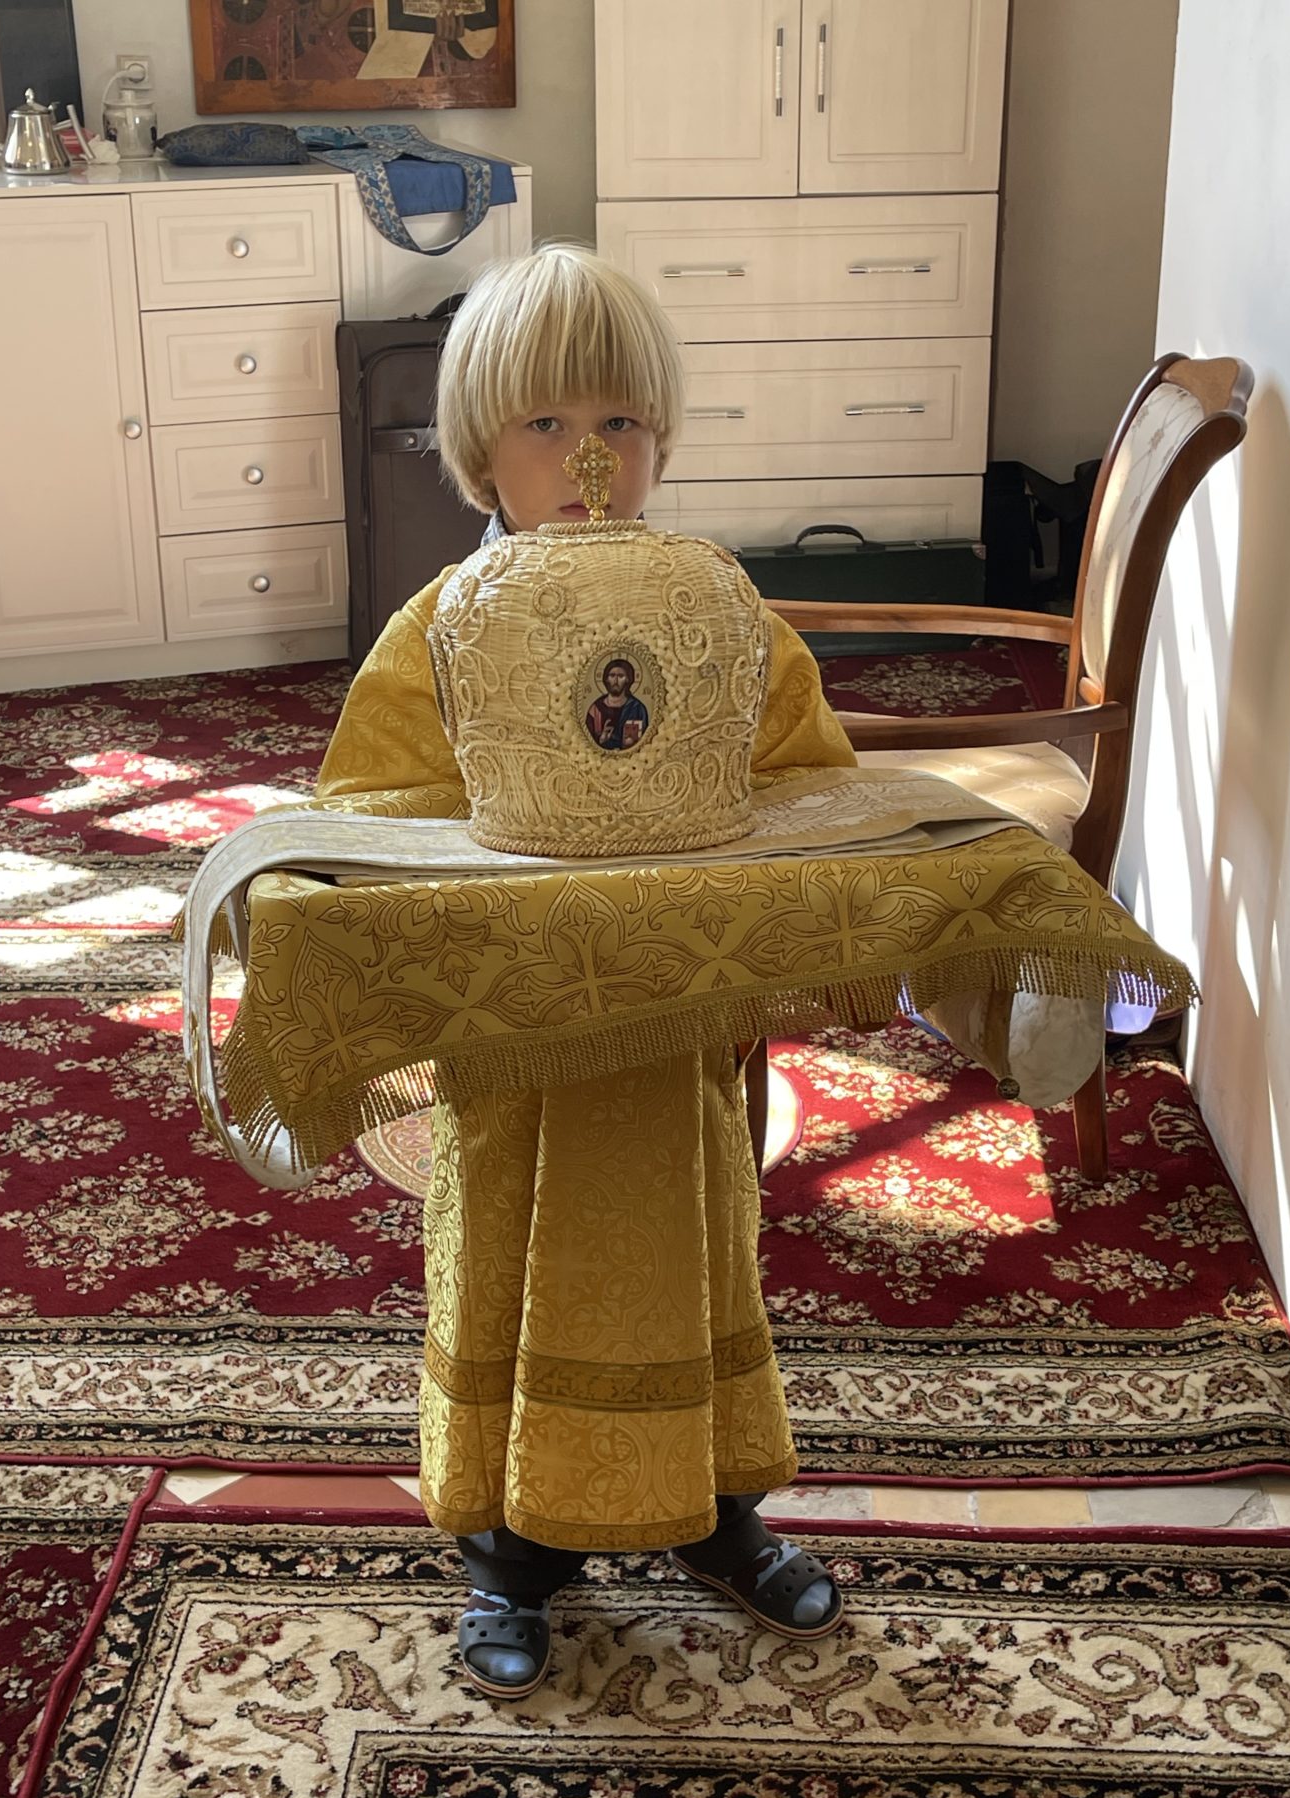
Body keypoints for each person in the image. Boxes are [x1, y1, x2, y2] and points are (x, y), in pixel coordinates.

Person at [317, 245, 858, 1699]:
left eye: (619, 421)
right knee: (510, 1267)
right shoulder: (445, 629)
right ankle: (511, 1553)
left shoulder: (716, 613)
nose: (588, 460)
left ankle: (719, 1514)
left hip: (679, 1035)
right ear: (478, 448)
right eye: (547, 424)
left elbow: (811, 784)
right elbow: (372, 815)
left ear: (661, 439)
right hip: (515, 1046)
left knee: (696, 1264)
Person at [586, 657, 650, 749]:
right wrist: (601, 740)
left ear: (628, 679)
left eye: (620, 676)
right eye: (612, 676)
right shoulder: (595, 709)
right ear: (606, 679)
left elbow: (645, 741)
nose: (615, 681)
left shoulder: (637, 708)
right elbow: (586, 742)